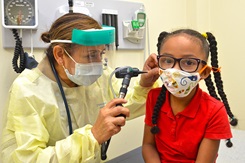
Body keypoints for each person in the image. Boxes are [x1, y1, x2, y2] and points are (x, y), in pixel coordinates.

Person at [0, 13, 160, 162]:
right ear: (60, 55)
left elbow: (122, 107)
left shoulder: (100, 76)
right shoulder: (27, 90)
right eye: (90, 55)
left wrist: (144, 85)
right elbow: (31, 158)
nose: (98, 63)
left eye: (101, 53)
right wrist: (93, 136)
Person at [142, 29, 237, 163]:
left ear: (204, 73)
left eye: (188, 63)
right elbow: (148, 145)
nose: (175, 70)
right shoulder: (154, 97)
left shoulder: (215, 111)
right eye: (168, 60)